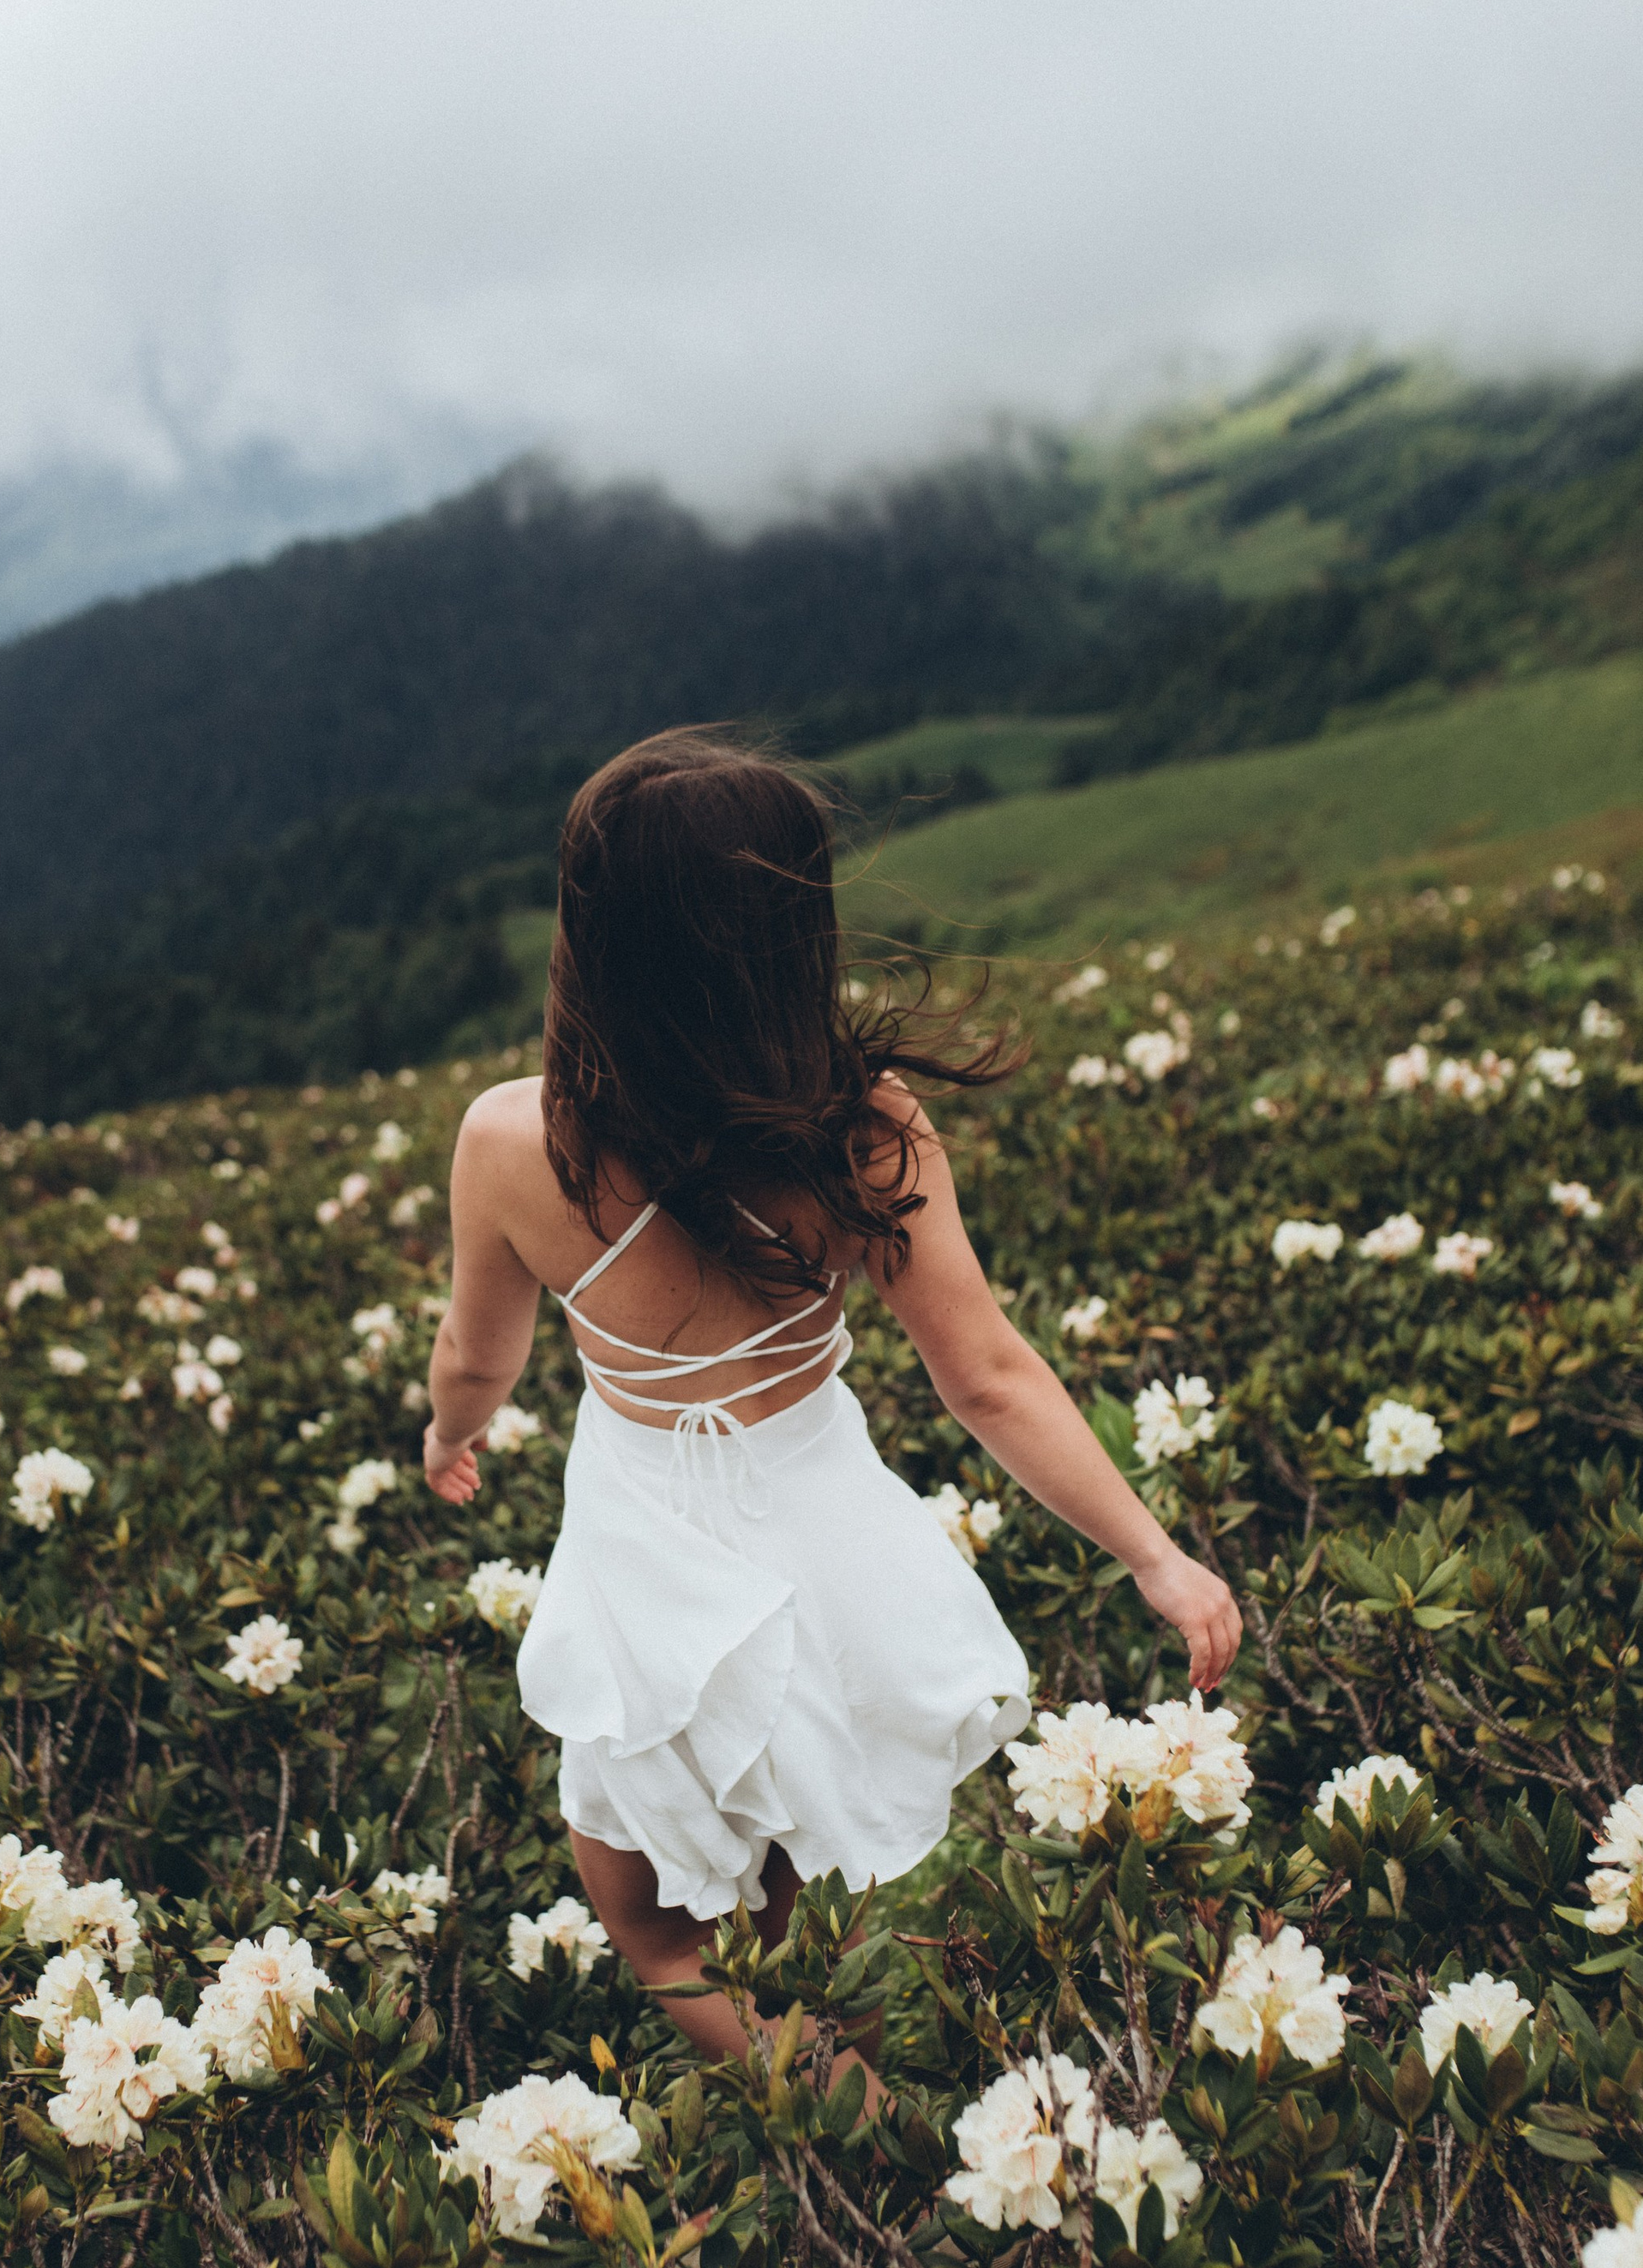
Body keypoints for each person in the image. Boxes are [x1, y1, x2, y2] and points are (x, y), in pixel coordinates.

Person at [422, 728, 1239, 2085]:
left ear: (594, 943)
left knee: (654, 1923)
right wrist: (1153, 1556)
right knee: (795, 1908)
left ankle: (856, 2136)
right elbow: (987, 1374)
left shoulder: (519, 1142)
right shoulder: (863, 1127)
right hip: (828, 1545)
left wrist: (451, 1434)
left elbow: (474, 1356)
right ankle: (862, 2106)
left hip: (648, 1553)